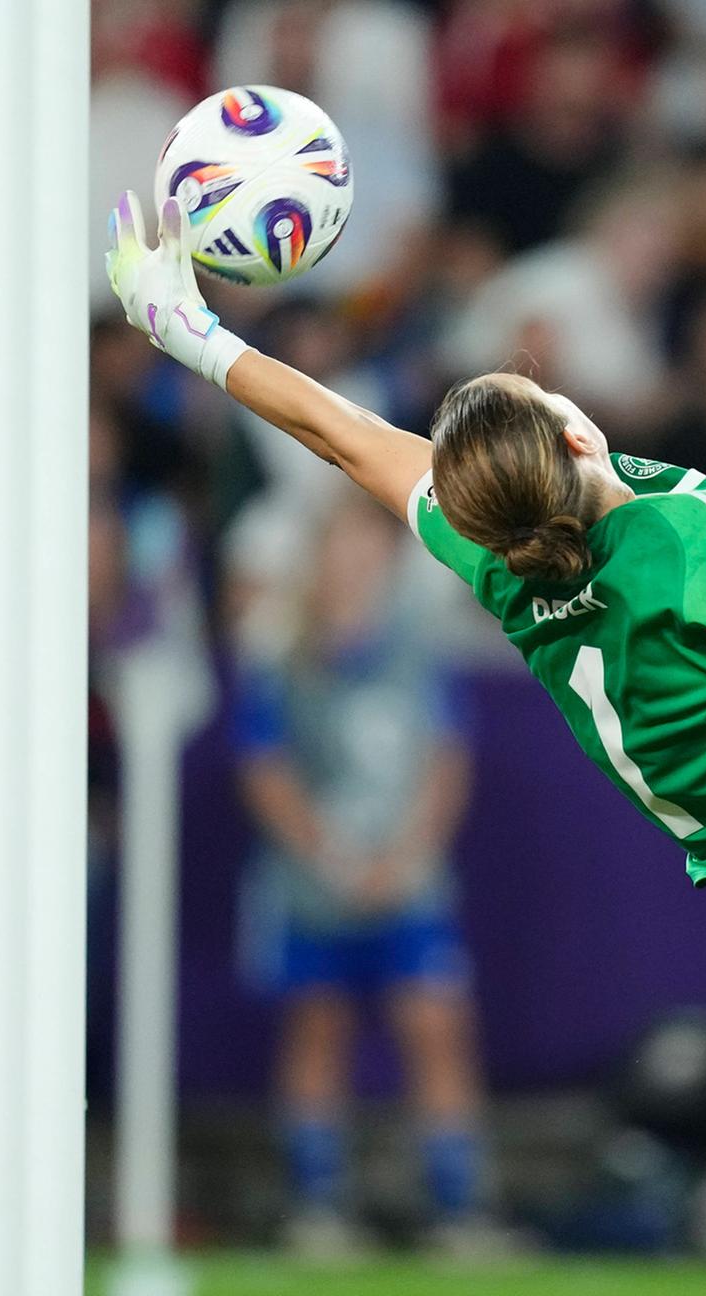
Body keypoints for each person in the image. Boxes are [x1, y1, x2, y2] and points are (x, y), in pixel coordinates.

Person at [105, 192, 706, 1012]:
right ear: (575, 433)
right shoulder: (704, 545)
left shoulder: (497, 557)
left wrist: (188, 334)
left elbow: (344, 437)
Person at [227, 489, 494, 1254]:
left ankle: (460, 1209)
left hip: (411, 881)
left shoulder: (417, 646)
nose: (355, 560)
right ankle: (319, 1207)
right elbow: (264, 767)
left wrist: (408, 855)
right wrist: (328, 853)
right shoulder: (280, 650)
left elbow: (447, 759)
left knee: (434, 1024)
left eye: (369, 545)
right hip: (314, 883)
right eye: (341, 543)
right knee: (319, 1025)